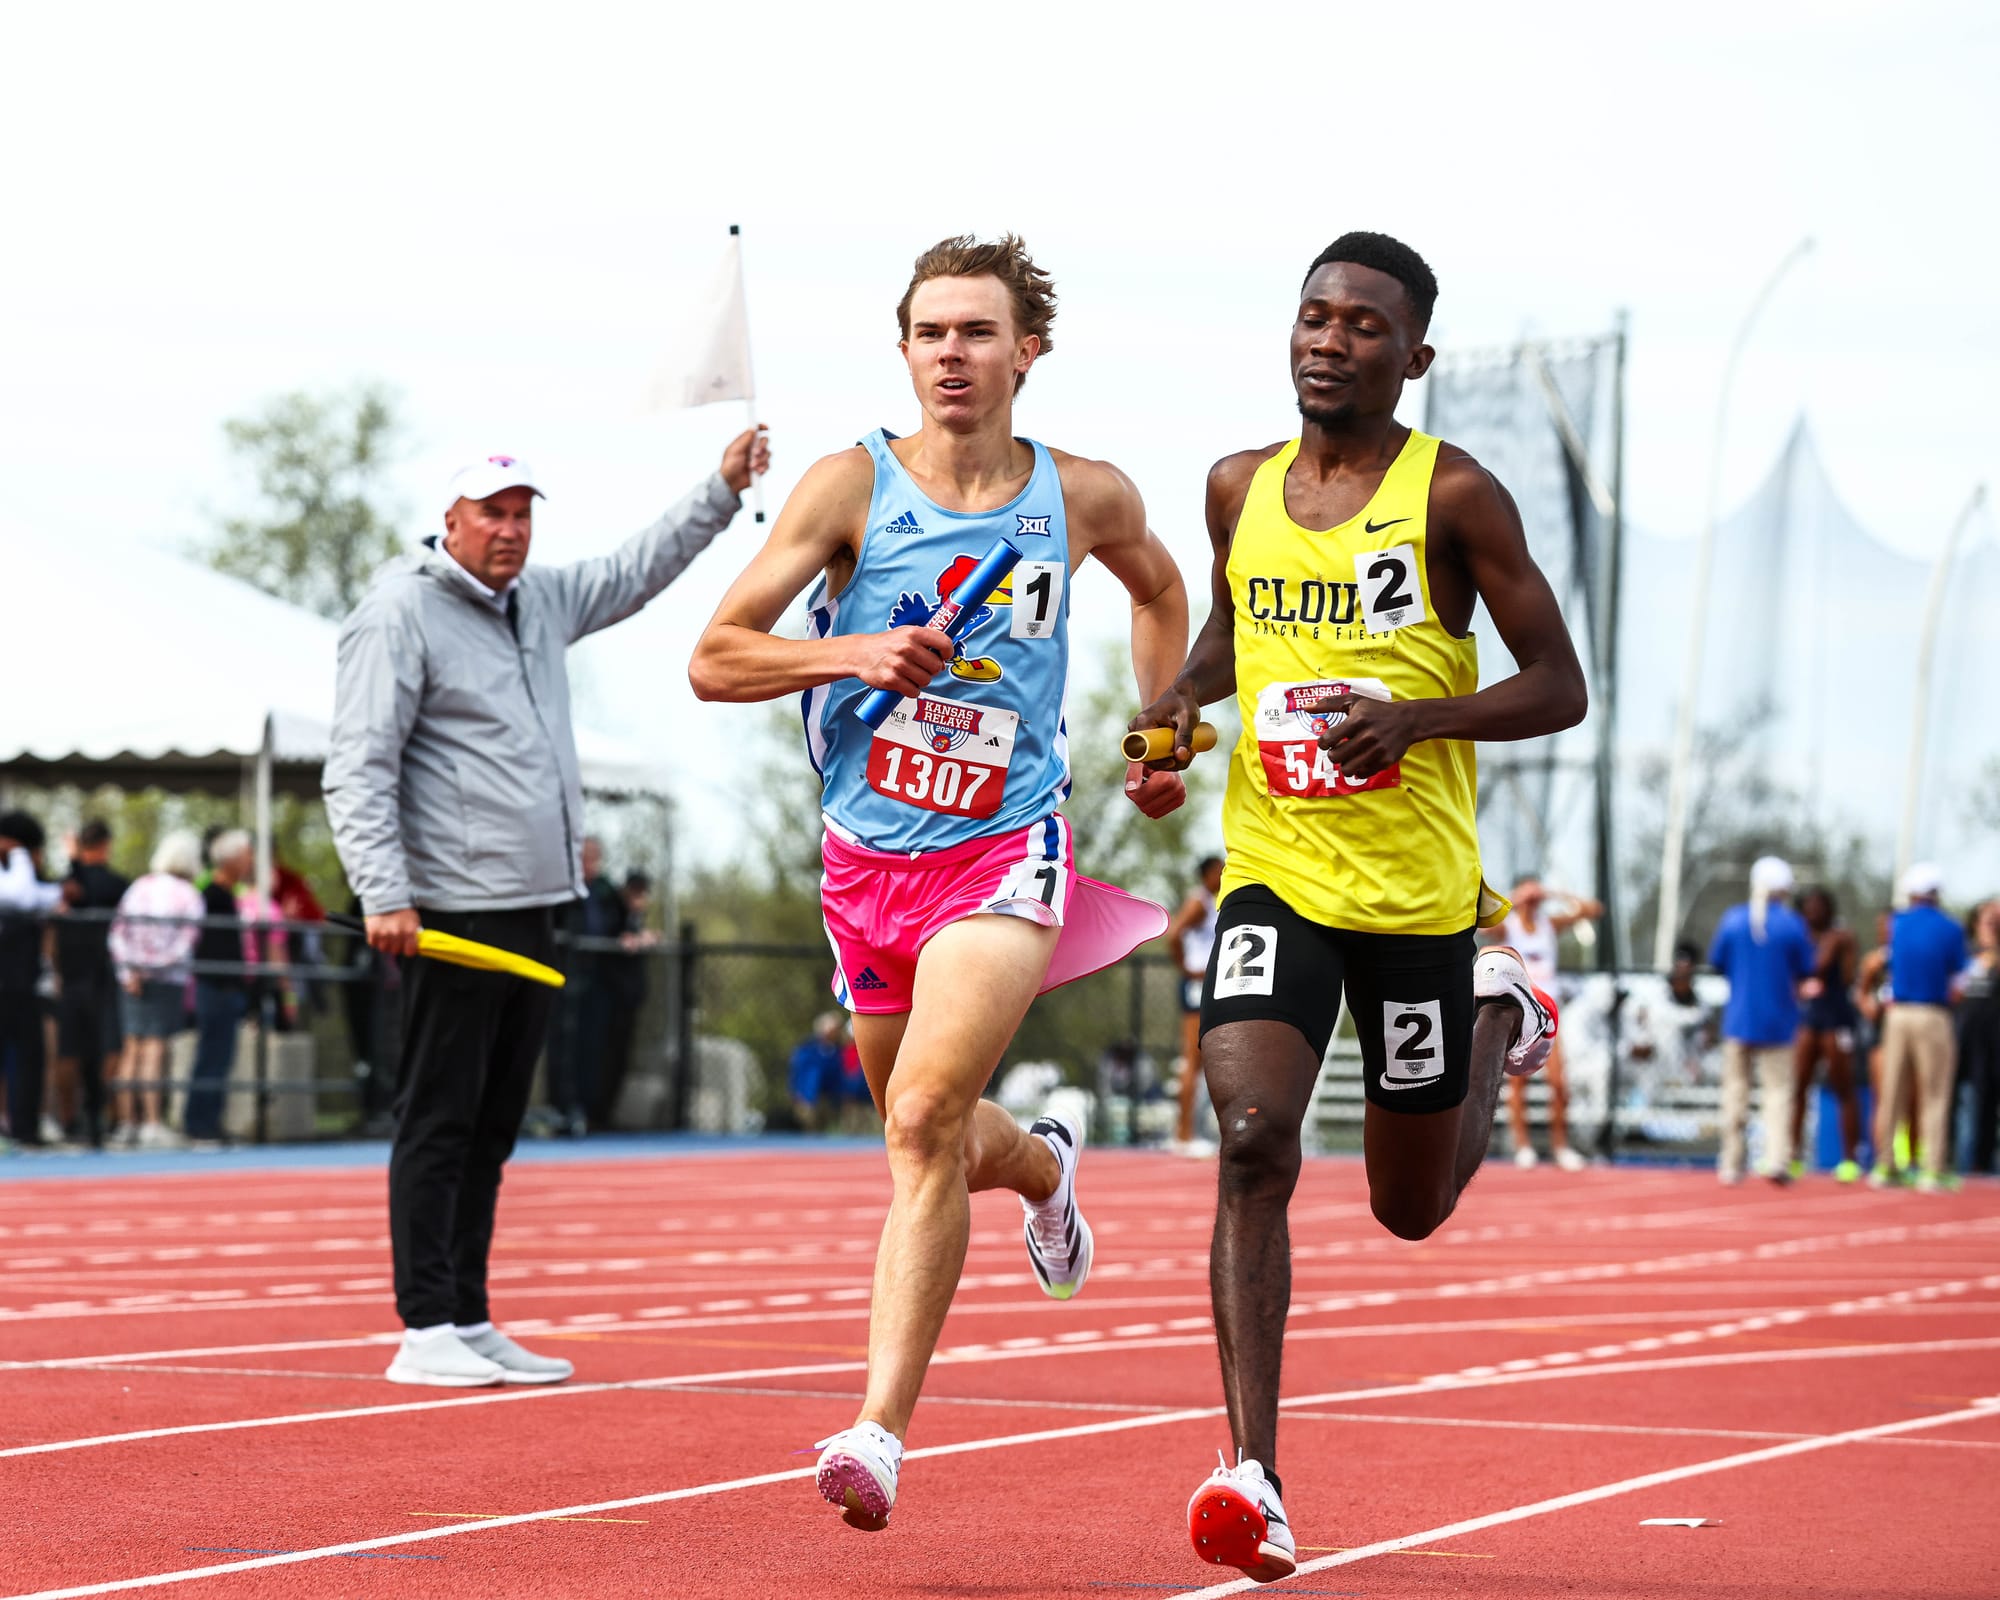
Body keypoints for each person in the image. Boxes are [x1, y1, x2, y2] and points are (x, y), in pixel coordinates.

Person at [688, 233, 1188, 1532]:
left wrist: (1158, 731)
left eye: (977, 332)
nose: (952, 355)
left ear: (1029, 349)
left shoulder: (1082, 496)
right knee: (933, 1128)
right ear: (903, 351)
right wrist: (851, 651)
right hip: (866, 863)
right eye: (931, 334)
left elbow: (1162, 590)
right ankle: (1044, 1170)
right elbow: (717, 658)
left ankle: (878, 1431)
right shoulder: (846, 489)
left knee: (916, 1125)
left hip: (1005, 846)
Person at [1129, 231, 1585, 1583]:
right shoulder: (1235, 486)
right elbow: (1229, 634)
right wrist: (1168, 722)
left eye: (1364, 326)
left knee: (1410, 1208)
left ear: (1416, 357)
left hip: (1419, 898)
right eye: (1314, 318)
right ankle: (1253, 1473)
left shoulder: (1460, 498)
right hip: (1276, 869)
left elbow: (1559, 682)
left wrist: (1418, 719)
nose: (1330, 341)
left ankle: (1501, 1013)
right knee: (1255, 1137)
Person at [326, 428, 768, 1388]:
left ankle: (469, 1314)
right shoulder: (399, 613)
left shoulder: (539, 602)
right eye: (493, 513)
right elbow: (357, 764)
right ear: (450, 521)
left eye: (524, 515)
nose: (511, 531)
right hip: (446, 906)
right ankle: (423, 1323)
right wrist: (384, 892)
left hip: (534, 901)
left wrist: (722, 489)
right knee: (438, 1116)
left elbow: (633, 572)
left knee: (493, 1122)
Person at [1708, 856, 1816, 1186]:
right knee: (1778, 1094)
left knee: (1734, 1094)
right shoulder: (1792, 924)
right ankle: (1777, 1158)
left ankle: (1731, 1161)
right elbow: (1806, 969)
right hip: (1778, 1020)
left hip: (1739, 1019)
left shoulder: (1733, 920)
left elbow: (1717, 962)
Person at [1495, 876, 1601, 1171]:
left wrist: (1555, 893)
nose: (1534, 899)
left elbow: (1593, 910)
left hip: (1548, 1012)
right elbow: (1481, 925)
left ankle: (1560, 1147)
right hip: (1521, 1012)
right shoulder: (1510, 925)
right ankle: (1523, 1146)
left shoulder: (1548, 925)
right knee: (1518, 1083)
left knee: (1558, 1083)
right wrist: (1516, 897)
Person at [106, 831, 205, 1147]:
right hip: (164, 978)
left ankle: (125, 1124)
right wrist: (153, 968)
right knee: (154, 1048)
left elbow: (117, 934)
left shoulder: (139, 887)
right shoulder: (188, 895)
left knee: (131, 1049)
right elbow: (185, 944)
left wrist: (129, 970)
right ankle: (151, 1123)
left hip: (132, 978)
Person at [1873, 863, 1968, 1191]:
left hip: (1897, 1013)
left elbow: (1886, 967)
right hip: (1933, 1013)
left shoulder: (1895, 925)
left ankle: (1885, 1165)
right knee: (1935, 1093)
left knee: (1892, 1090)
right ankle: (1932, 1168)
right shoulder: (1950, 928)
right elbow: (1959, 980)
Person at [52, 821, 129, 1148]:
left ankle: (85, 1119)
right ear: (106, 845)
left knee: (88, 1050)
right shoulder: (114, 884)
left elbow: (79, 893)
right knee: (95, 1050)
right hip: (95, 976)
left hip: (82, 975)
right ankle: (92, 1119)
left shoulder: (88, 883)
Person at [184, 830, 255, 1145]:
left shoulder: (227, 894)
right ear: (233, 859)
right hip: (215, 985)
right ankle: (200, 1122)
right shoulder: (212, 895)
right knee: (211, 1055)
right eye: (247, 855)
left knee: (219, 1056)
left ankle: (207, 1119)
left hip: (225, 985)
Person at [0, 810, 65, 1147]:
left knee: (29, 1055)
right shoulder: (15, 875)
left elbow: (44, 897)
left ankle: (24, 1127)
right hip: (9, 982)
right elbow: (23, 896)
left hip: (19, 984)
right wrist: (19, 853)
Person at [1790, 886, 1863, 1180]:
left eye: (1819, 905)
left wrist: (1835, 949)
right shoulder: (1797, 937)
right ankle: (1791, 1155)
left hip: (1836, 1017)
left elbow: (1845, 977)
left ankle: (1849, 1158)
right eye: (1809, 905)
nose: (1813, 911)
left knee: (1843, 1087)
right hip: (1808, 1018)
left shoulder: (1842, 938)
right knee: (1798, 1088)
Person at [1162, 855, 1224, 1154]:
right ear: (1207, 874)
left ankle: (1189, 1132)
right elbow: (1174, 933)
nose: (1225, 873)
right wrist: (1187, 968)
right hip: (1197, 984)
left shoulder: (1215, 901)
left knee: (1206, 1058)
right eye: (1220, 870)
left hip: (1209, 984)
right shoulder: (1199, 902)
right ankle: (1183, 1135)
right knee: (1192, 1056)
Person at [1955, 898, 1999, 1175]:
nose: (1993, 925)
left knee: (1985, 1104)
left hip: (1993, 1043)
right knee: (1955, 1103)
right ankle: (1948, 1160)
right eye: (1988, 920)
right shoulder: (1963, 953)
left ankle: (1980, 1163)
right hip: (1960, 1039)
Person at [789, 1012, 846, 1131]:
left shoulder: (838, 1051)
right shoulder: (808, 1049)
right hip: (808, 1097)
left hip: (830, 1098)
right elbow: (798, 1072)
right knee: (810, 1128)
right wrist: (797, 1094)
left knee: (826, 1129)